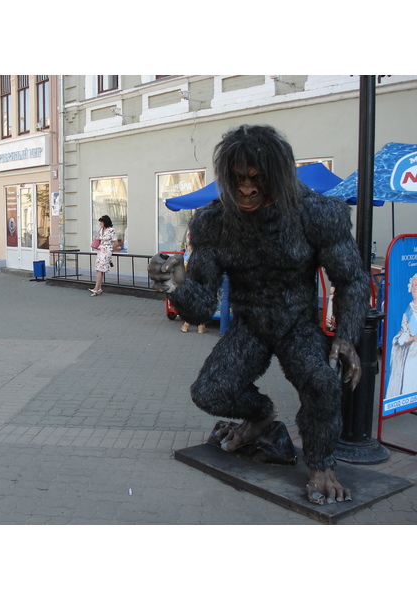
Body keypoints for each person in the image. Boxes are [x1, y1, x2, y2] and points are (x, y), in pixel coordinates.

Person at [148, 125, 370, 505]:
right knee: (210, 391)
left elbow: (351, 280)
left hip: (297, 321)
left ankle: (320, 464)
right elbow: (202, 306)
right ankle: (261, 416)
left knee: (323, 385)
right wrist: (175, 285)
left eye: (257, 179)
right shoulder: (214, 222)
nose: (247, 189)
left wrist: (347, 336)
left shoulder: (315, 213)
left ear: (276, 176)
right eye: (238, 180)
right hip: (250, 322)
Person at [385, 273, 417, 398]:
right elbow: (401, 336)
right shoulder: (407, 311)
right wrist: (413, 338)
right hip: (412, 353)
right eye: (413, 285)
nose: (414, 287)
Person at [180, 231, 207, 334]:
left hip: (188, 263)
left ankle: (186, 324)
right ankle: (201, 325)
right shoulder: (206, 232)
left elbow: (184, 246)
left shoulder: (189, 231)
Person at [89, 215, 118, 296]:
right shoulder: (101, 230)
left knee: (99, 269)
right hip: (100, 251)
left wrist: (111, 250)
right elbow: (99, 239)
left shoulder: (111, 230)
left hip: (107, 251)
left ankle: (96, 288)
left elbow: (115, 242)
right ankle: (99, 288)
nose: (100, 223)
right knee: (99, 269)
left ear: (105, 222)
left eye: (101, 221)